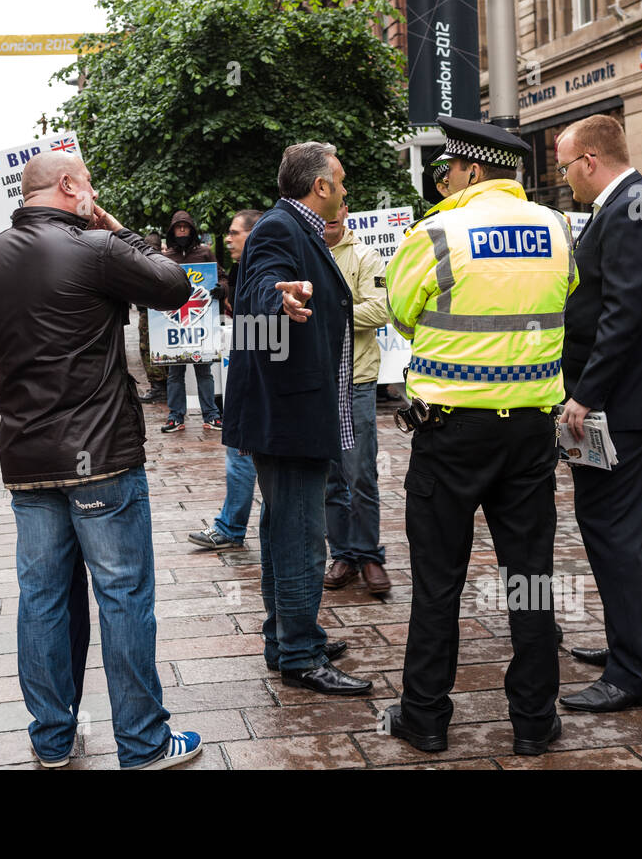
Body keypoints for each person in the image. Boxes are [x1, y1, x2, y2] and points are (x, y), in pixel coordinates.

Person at [0, 150, 202, 770]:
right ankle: (144, 743)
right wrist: (120, 230)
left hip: (29, 459)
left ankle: (52, 739)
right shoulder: (97, 247)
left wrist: (33, 399)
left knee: (42, 596)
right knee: (121, 594)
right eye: (87, 183)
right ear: (69, 186)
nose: (92, 193)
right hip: (102, 459)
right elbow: (175, 284)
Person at [381, 117, 575, 756]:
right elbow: (561, 300)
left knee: (439, 581)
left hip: (450, 433)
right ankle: (533, 722)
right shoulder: (557, 228)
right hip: (529, 433)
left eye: (448, 170)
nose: (443, 181)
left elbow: (405, 314)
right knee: (532, 578)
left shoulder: (434, 231)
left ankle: (427, 717)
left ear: (467, 169)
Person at [223, 141, 371, 697]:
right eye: (341, 179)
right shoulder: (280, 229)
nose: (346, 189)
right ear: (320, 187)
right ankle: (301, 655)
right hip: (287, 416)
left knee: (281, 528)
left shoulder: (297, 227)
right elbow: (263, 283)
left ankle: (284, 635)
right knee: (302, 537)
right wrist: (277, 299)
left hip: (291, 409)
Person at [556, 114, 642, 713]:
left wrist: (586, 394)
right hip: (622, 401)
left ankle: (632, 674)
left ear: (589, 160)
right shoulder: (625, 205)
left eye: (564, 167)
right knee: (633, 529)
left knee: (610, 531)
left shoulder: (632, 208)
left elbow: (622, 313)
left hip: (620, 405)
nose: (563, 179)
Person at [322, 199, 392, 596]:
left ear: (346, 210)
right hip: (317, 383)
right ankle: (343, 554)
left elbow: (380, 310)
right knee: (332, 478)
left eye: (338, 207)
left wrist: (328, 311)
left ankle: (369, 556)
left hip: (358, 381)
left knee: (361, 474)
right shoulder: (304, 251)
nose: (332, 215)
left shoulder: (366, 254)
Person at [188, 209, 262, 551]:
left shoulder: (263, 272)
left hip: (259, 386)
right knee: (241, 456)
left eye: (234, 232)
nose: (228, 239)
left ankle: (233, 528)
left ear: (254, 233)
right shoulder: (243, 270)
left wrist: (249, 383)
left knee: (244, 456)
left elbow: (270, 340)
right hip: (250, 380)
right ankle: (232, 527)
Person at [160, 210, 226, 432]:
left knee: (203, 370)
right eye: (178, 227)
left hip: (202, 323)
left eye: (185, 227)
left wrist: (221, 289)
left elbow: (222, 278)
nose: (181, 231)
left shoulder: (205, 254)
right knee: (175, 372)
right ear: (172, 231)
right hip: (175, 324)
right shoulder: (165, 258)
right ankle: (175, 416)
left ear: (191, 230)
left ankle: (211, 415)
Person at [135, 232, 170, 403]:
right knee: (147, 349)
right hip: (147, 313)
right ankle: (158, 386)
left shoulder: (164, 264)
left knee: (158, 348)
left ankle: (162, 387)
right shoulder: (141, 263)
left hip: (164, 315)